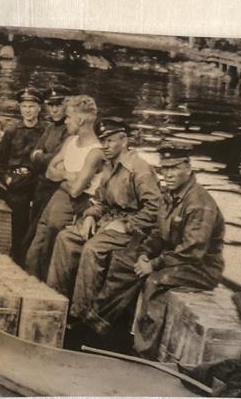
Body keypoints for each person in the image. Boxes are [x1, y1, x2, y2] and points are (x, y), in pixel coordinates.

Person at [90, 142, 225, 357]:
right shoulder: (168, 195)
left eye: (174, 168)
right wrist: (144, 254)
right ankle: (100, 324)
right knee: (123, 262)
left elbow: (192, 251)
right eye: (164, 168)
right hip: (174, 258)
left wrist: (153, 265)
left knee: (154, 281)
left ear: (188, 168)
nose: (168, 174)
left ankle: (144, 350)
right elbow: (157, 233)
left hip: (200, 268)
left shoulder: (199, 203)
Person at [46, 117, 161, 342]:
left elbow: (155, 209)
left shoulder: (139, 169)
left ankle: (80, 315)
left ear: (124, 141)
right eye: (103, 141)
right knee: (66, 238)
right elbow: (101, 200)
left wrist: (127, 224)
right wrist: (90, 215)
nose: (105, 146)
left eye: (110, 141)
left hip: (133, 229)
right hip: (107, 221)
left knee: (92, 249)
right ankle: (55, 302)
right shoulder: (108, 165)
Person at [24, 95, 104, 280]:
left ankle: (47, 287)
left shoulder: (95, 152)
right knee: (34, 251)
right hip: (56, 199)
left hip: (73, 205)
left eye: (68, 117)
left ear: (80, 120)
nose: (65, 121)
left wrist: (61, 177)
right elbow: (49, 172)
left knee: (50, 254)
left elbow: (76, 191)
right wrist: (68, 175)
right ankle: (30, 280)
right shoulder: (70, 142)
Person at [0, 87, 46, 265]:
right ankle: (17, 254)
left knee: (40, 209)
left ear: (39, 108)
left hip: (36, 179)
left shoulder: (45, 131)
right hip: (15, 180)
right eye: (24, 106)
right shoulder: (12, 131)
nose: (28, 110)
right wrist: (7, 179)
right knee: (19, 205)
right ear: (19, 107)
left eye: (32, 106)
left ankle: (32, 256)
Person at [26, 86, 71, 228]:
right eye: (51, 105)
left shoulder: (70, 130)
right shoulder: (50, 128)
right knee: (32, 222)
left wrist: (40, 156)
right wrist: (40, 156)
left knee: (41, 226)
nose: (54, 110)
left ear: (67, 105)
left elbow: (58, 158)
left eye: (58, 105)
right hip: (41, 185)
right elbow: (33, 155)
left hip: (55, 187)